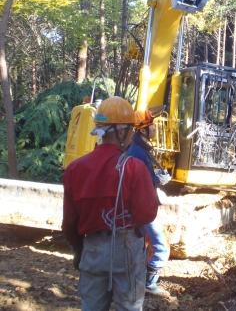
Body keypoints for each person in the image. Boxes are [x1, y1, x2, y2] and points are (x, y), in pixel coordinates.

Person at [62, 96, 159, 311]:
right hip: (127, 248)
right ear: (122, 131)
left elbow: (69, 221)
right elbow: (147, 214)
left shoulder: (75, 169)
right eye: (131, 131)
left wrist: (78, 249)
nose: (133, 135)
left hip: (93, 249)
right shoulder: (134, 167)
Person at [127, 108, 171, 298]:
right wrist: (157, 181)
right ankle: (148, 284)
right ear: (142, 130)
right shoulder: (137, 152)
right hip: (142, 208)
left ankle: (140, 279)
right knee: (161, 247)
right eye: (151, 125)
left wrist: (155, 178)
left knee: (144, 246)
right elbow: (137, 182)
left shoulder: (140, 149)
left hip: (145, 206)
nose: (155, 128)